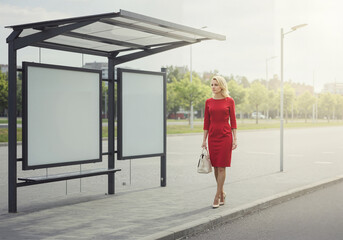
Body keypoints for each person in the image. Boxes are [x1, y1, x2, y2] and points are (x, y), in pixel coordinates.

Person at [202, 75, 237, 208]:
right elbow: (206, 122)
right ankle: (222, 193)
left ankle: (217, 196)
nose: (213, 87)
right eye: (212, 84)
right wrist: (204, 140)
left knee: (222, 167)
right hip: (212, 137)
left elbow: (233, 121)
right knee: (216, 167)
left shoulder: (230, 101)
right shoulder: (208, 102)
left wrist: (235, 139)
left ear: (221, 86)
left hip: (225, 137)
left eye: (216, 84)